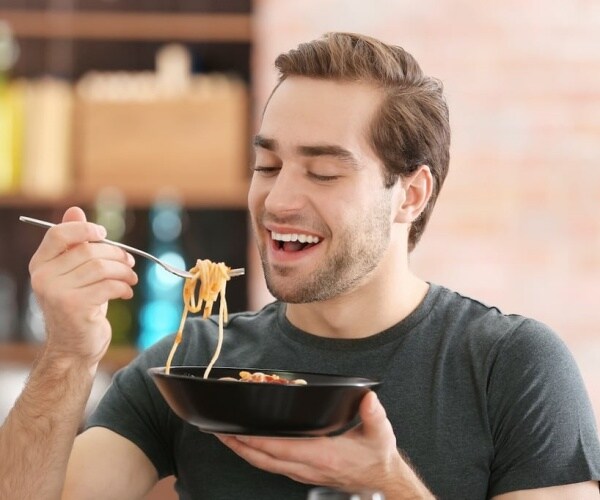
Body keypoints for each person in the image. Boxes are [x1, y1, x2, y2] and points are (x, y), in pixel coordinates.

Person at [1, 32, 599, 499]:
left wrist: (386, 483)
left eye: (324, 172)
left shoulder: (511, 366)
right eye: (268, 165)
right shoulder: (192, 368)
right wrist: (68, 354)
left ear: (410, 195)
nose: (279, 199)